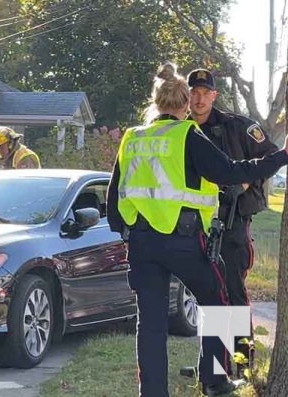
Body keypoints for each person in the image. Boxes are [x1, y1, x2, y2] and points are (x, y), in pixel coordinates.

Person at [106, 62, 288, 397]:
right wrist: (283, 157)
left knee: (150, 322)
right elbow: (230, 171)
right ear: (185, 102)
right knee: (217, 304)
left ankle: (154, 392)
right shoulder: (186, 135)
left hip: (144, 244)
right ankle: (216, 380)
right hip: (186, 240)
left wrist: (126, 232)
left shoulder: (132, 137)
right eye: (195, 94)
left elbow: (114, 194)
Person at [186, 68, 278, 376]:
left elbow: (270, 155)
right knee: (210, 295)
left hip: (232, 222)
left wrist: (247, 184)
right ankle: (213, 367)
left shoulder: (236, 127)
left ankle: (242, 366)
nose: (198, 99)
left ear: (214, 95)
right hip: (194, 225)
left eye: (204, 93)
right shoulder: (180, 130)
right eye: (193, 93)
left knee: (234, 293)